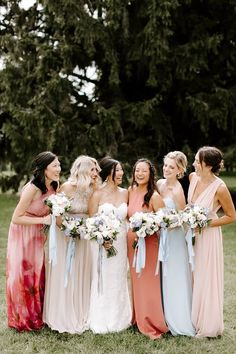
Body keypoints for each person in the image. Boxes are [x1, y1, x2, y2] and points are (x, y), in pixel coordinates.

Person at [43, 155, 99, 333]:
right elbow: (57, 213)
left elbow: (92, 214)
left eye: (97, 169)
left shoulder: (93, 189)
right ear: (82, 170)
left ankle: (81, 310)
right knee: (66, 271)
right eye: (93, 169)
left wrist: (83, 230)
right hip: (65, 235)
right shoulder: (66, 187)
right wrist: (69, 230)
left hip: (83, 235)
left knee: (82, 271)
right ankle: (63, 312)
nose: (96, 172)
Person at [6, 151, 61, 331]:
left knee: (37, 272)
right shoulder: (32, 189)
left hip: (38, 234)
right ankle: (22, 318)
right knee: (22, 274)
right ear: (44, 169)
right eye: (55, 166)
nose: (58, 168)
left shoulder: (55, 185)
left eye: (59, 165)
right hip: (23, 232)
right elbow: (16, 218)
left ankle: (37, 314)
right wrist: (42, 221)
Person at [188, 146, 236, 338]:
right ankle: (192, 319)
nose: (193, 163)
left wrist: (206, 223)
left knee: (205, 277)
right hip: (191, 235)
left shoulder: (220, 187)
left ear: (206, 165)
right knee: (192, 274)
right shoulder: (193, 178)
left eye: (196, 160)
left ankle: (208, 324)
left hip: (208, 237)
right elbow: (189, 205)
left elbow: (231, 216)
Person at [88, 157, 132, 333]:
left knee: (118, 276)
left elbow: (127, 218)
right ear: (108, 173)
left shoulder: (125, 193)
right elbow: (91, 221)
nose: (121, 173)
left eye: (121, 169)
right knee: (103, 277)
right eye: (117, 170)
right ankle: (101, 317)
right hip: (101, 244)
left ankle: (120, 317)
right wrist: (102, 238)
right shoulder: (97, 193)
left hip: (120, 241)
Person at [127, 158, 168, 339]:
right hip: (132, 245)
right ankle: (138, 317)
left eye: (144, 171)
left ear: (150, 173)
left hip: (149, 245)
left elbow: (163, 222)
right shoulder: (131, 191)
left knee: (148, 283)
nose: (140, 174)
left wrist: (147, 227)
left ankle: (151, 322)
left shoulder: (154, 196)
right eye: (137, 170)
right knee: (136, 282)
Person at [157, 151, 195, 336]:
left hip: (174, 238)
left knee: (174, 275)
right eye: (165, 165)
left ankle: (178, 319)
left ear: (179, 170)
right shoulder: (159, 184)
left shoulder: (178, 190)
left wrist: (167, 223)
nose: (166, 169)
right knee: (162, 275)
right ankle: (162, 314)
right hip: (160, 235)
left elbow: (182, 219)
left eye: (171, 167)